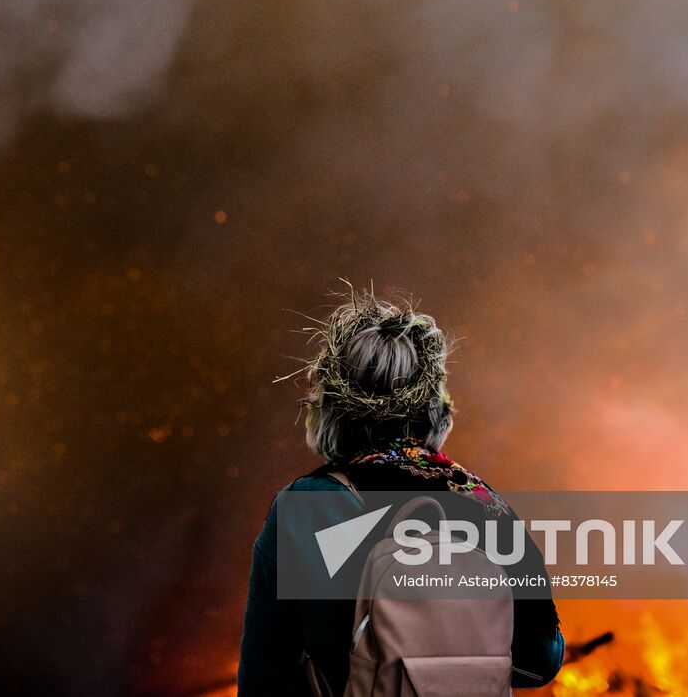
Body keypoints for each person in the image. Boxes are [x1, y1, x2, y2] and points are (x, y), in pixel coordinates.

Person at [238, 287, 564, 695]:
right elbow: (541, 662)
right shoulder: (484, 503)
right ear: (435, 410)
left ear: (330, 412)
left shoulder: (304, 507)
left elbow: (264, 674)